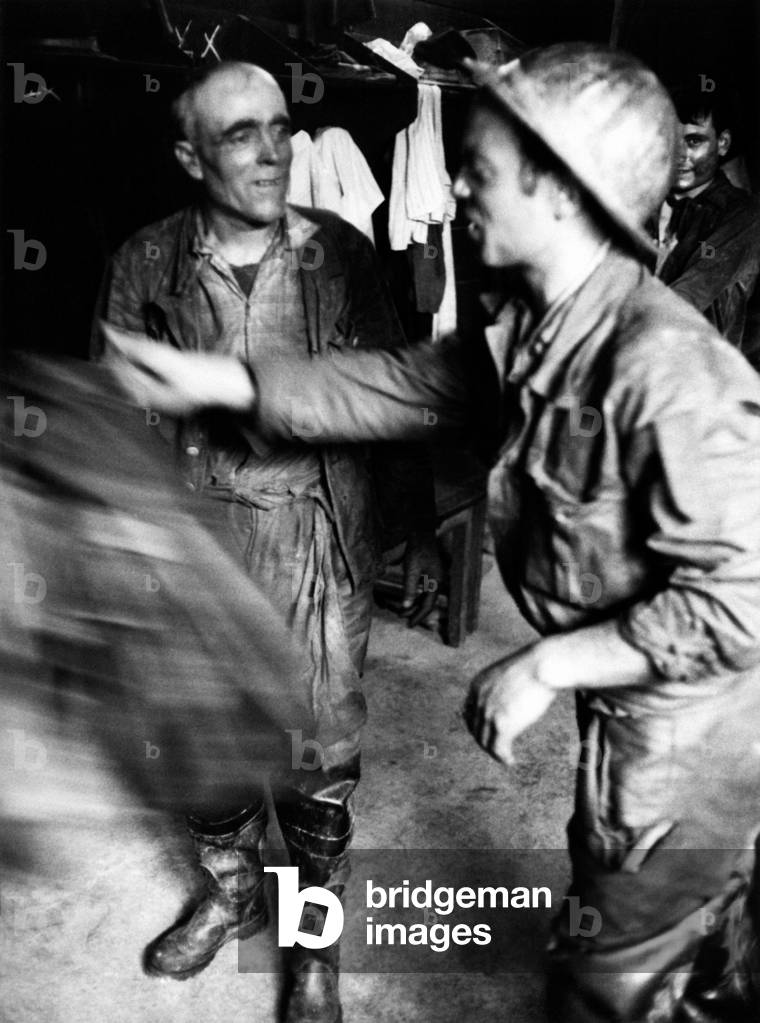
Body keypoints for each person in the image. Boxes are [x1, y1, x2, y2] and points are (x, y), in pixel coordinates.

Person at [104, 43, 760, 1023]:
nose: (452, 180)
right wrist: (232, 383)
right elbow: (403, 381)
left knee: (623, 967)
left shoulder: (664, 367)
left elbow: (739, 599)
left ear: (556, 190)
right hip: (628, 710)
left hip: (689, 734)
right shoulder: (542, 327)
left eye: (483, 165)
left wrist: (549, 665)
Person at [92, 61, 440, 1023]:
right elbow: (115, 420)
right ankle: (232, 892)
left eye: (282, 129)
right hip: (200, 535)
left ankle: (314, 944)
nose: (273, 151)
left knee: (319, 753)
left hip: (319, 532)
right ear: (188, 153)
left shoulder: (340, 252)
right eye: (241, 134)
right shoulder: (145, 263)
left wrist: (409, 522)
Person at [656, 76, 760, 353]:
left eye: (693, 141)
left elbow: (689, 294)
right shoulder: (638, 203)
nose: (679, 154)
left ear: (723, 143)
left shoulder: (745, 216)